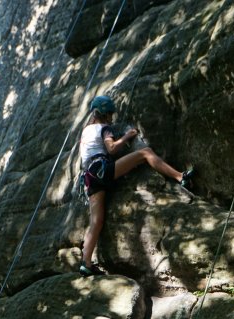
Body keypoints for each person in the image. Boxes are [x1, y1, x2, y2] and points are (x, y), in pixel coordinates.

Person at [79, 95, 194, 276]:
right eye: (109, 114)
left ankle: (86, 263)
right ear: (104, 113)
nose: (111, 118)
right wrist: (127, 136)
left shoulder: (85, 131)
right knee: (145, 153)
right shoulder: (104, 128)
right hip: (102, 169)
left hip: (90, 177)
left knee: (96, 221)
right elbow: (112, 149)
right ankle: (181, 177)